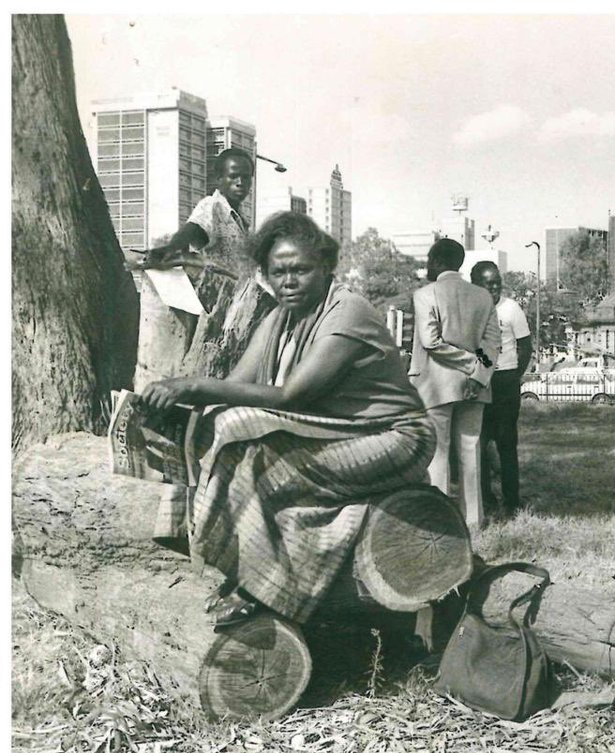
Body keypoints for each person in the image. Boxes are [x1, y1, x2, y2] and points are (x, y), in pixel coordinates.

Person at [140, 212, 435, 629]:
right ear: (266, 275)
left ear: (326, 268)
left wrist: (192, 387)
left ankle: (267, 586)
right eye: (278, 272)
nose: (289, 281)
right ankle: (202, 544)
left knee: (266, 463)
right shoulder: (280, 318)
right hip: (339, 432)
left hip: (397, 438)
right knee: (218, 424)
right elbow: (235, 384)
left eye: (301, 270)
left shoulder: (347, 311)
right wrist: (187, 401)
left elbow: (292, 395)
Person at [129, 148, 276, 553]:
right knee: (198, 420)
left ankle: (205, 518)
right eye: (233, 176)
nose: (240, 183)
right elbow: (191, 234)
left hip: (234, 327)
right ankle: (179, 521)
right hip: (213, 331)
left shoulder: (240, 219)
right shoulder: (212, 208)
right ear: (218, 177)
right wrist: (172, 252)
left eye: (246, 176)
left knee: (216, 421)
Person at [409, 239, 501, 530]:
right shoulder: (483, 297)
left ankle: (441, 519)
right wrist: (476, 372)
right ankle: (474, 520)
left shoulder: (425, 294)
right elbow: (492, 344)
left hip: (436, 384)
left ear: (436, 261)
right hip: (476, 386)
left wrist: (466, 364)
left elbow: (431, 341)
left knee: (438, 453)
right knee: (471, 450)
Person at [470, 260, 533, 519]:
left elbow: (525, 346)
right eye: (488, 283)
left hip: (506, 381)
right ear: (476, 285)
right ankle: (486, 499)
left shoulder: (511, 309)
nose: (494, 287)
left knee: (507, 443)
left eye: (497, 282)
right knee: (480, 444)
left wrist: (514, 375)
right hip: (480, 381)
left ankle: (512, 500)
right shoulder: (471, 310)